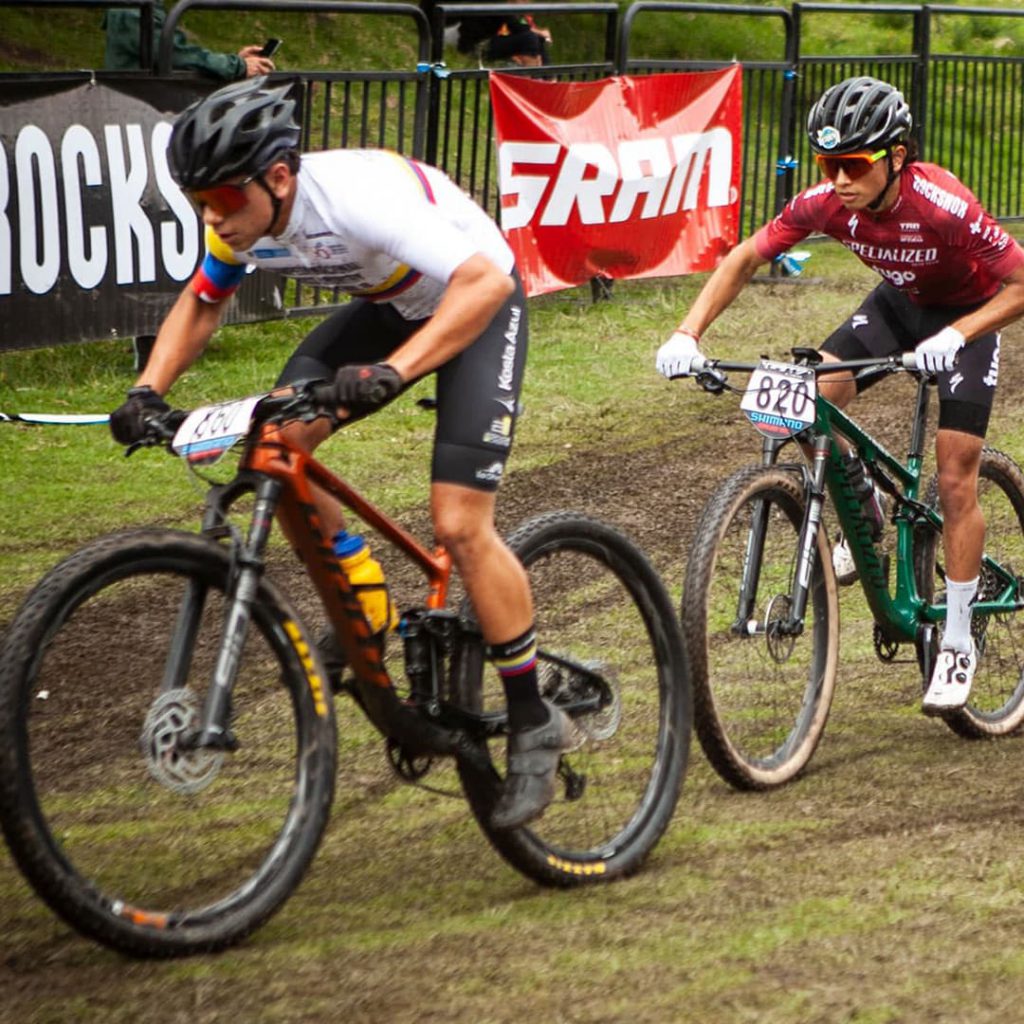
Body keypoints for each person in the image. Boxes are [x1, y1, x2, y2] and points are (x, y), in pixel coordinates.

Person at [107, 77, 570, 830]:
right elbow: (203, 300)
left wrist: (392, 374)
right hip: (390, 306)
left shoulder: (355, 198)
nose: (215, 217)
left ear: (279, 176)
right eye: (202, 201)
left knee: (458, 522)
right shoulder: (238, 216)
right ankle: (363, 587)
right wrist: (146, 391)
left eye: (225, 197)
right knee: (276, 448)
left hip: (477, 303)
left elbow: (484, 281)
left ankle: (531, 714)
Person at [656, 75, 1024, 715]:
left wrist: (961, 331)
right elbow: (746, 255)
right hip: (898, 306)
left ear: (897, 156)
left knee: (955, 474)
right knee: (799, 397)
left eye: (854, 164)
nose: (841, 179)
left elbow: (1020, 282)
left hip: (968, 317)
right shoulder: (827, 202)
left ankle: (959, 636)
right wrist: (687, 332)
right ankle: (869, 511)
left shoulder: (942, 203)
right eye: (829, 164)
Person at [102, 1, 276, 80]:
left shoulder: (147, 7)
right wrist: (236, 66)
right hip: (137, 107)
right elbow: (176, 55)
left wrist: (235, 61)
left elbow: (181, 54)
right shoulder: (129, 11)